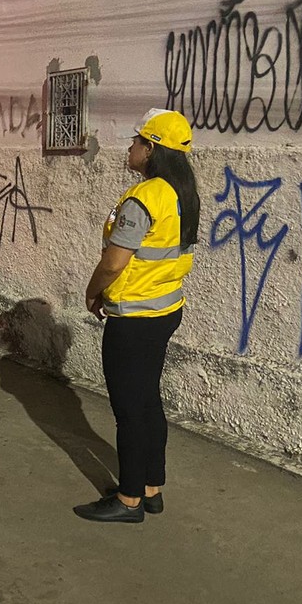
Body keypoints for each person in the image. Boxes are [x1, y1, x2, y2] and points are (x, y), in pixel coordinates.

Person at [73, 108, 199, 524]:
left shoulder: (144, 198)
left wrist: (93, 292)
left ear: (152, 150)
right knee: (147, 399)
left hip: (135, 317)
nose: (130, 146)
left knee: (129, 408)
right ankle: (150, 487)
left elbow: (113, 263)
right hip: (165, 309)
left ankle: (128, 501)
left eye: (137, 141)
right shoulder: (184, 193)